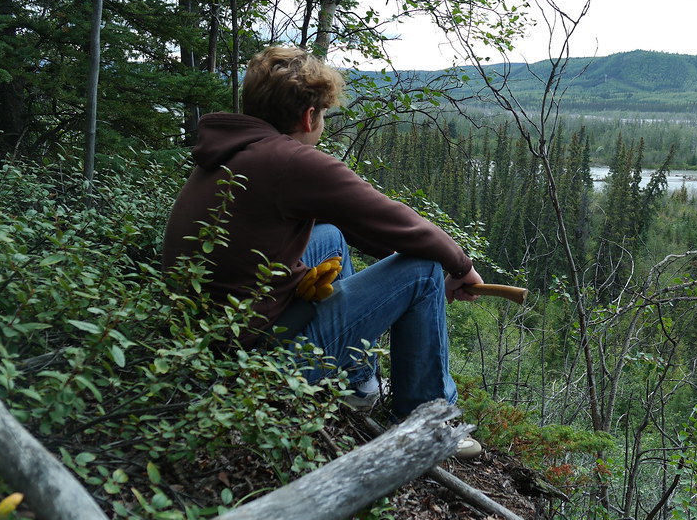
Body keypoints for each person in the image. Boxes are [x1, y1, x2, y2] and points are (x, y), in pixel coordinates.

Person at [162, 45, 484, 455]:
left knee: (329, 234)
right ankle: (426, 422)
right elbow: (396, 220)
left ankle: (354, 382)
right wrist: (458, 265)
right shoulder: (291, 161)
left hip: (209, 343)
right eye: (324, 115)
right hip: (257, 366)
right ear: (308, 116)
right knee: (424, 268)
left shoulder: (229, 152)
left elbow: (363, 226)